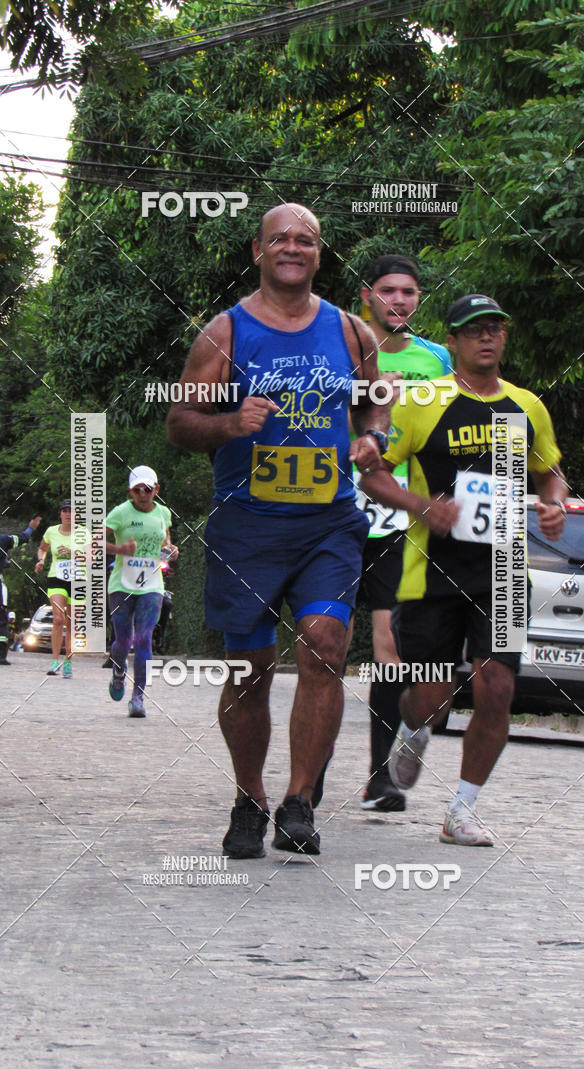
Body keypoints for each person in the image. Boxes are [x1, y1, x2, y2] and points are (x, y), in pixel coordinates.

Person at [167, 202, 387, 859]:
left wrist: (373, 440)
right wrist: (230, 424)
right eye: (280, 239)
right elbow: (180, 422)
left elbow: (376, 401)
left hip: (329, 521)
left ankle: (297, 802)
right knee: (251, 667)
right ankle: (248, 798)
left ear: (319, 254)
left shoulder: (352, 332)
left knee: (325, 641)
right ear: (259, 250)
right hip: (248, 526)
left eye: (306, 240)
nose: (293, 248)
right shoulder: (225, 333)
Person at [361, 294, 567, 846]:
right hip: (432, 571)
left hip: (502, 570)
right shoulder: (423, 401)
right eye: (473, 330)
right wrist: (425, 507)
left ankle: (462, 810)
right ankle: (410, 731)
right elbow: (373, 477)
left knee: (497, 686)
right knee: (434, 696)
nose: (486, 337)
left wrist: (553, 504)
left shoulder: (527, 405)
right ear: (450, 341)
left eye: (495, 328)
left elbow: (550, 473)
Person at [354, 254, 453, 812]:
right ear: (367, 294)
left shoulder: (436, 357)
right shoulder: (345, 347)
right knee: (327, 646)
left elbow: (452, 433)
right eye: (388, 291)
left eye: (409, 293)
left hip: (401, 516)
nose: (399, 301)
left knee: (390, 645)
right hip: (340, 510)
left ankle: (379, 778)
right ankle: (306, 786)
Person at [104, 466, 179, 718]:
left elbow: (164, 540)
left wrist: (170, 548)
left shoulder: (163, 513)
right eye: (138, 489)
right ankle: (118, 670)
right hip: (121, 585)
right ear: (130, 491)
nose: (143, 494)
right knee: (123, 641)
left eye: (148, 489)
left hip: (151, 584)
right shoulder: (120, 513)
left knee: (144, 638)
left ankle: (138, 697)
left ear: (156, 490)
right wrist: (119, 549)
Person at [35, 502, 81, 677]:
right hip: (56, 577)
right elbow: (42, 548)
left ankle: (67, 661)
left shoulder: (83, 533)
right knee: (57, 619)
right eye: (65, 511)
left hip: (78, 579)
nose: (68, 514)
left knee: (71, 623)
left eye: (71, 511)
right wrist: (40, 560)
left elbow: (92, 556)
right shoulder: (51, 531)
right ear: (60, 514)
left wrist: (72, 552)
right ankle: (55, 661)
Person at [0, 515, 41, 664]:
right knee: (1, 622)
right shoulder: (3, 540)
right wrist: (31, 528)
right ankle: (1, 656)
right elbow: (22, 538)